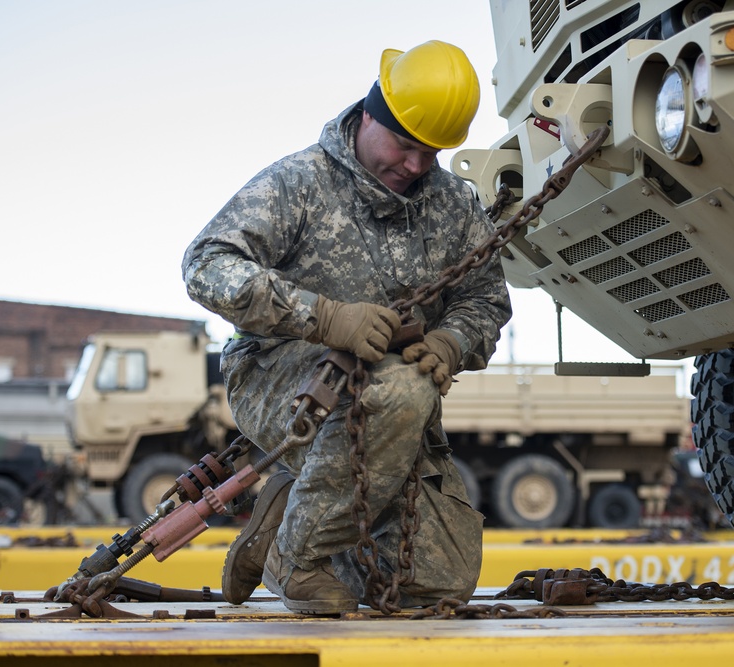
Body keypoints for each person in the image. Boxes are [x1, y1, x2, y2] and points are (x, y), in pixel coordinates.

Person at [182, 40, 512, 614]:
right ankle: (298, 557)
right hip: (278, 378)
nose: (415, 165)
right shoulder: (299, 183)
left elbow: (486, 299)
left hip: (389, 408)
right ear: (368, 116)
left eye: (430, 152)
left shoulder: (452, 205)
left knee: (438, 586)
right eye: (404, 144)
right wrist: (326, 317)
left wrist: (451, 340)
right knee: (395, 390)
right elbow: (205, 265)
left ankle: (285, 513)